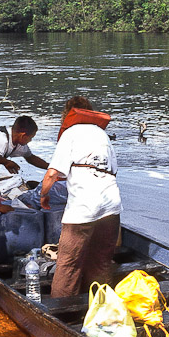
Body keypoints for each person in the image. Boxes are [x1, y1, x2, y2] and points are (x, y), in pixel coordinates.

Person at [40, 96, 122, 298]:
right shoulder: (102, 135)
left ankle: (62, 314)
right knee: (101, 261)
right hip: (112, 206)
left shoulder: (71, 132)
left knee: (68, 264)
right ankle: (101, 307)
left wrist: (43, 196)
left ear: (68, 114)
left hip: (84, 208)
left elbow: (52, 174)